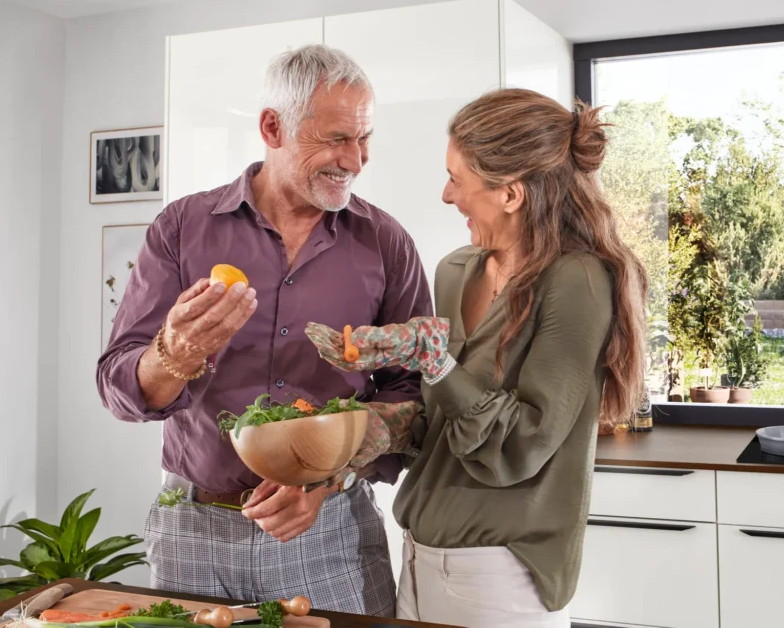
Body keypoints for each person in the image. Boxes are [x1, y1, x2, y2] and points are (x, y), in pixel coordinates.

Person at [96, 44, 432, 617]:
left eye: (364, 138)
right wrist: (173, 355)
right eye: (336, 139)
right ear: (273, 127)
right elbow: (120, 388)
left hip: (333, 531)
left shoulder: (386, 242)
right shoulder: (181, 228)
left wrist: (322, 482)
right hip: (194, 534)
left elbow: (413, 396)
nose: (355, 160)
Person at [306, 88, 648, 627]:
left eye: (456, 178)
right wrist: (375, 430)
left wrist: (435, 362)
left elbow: (524, 442)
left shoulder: (576, 280)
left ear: (510, 194)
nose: (446, 195)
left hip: (501, 575)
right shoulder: (455, 270)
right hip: (417, 557)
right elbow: (448, 426)